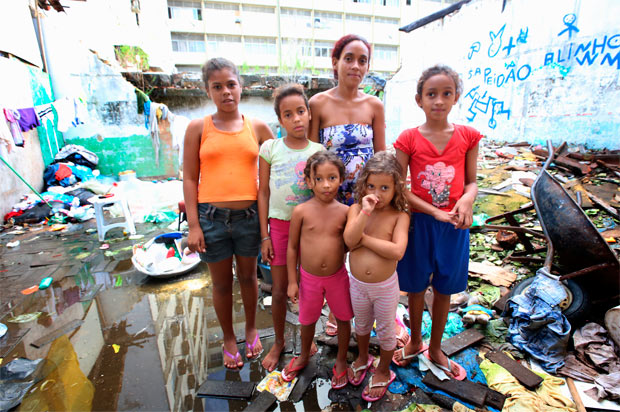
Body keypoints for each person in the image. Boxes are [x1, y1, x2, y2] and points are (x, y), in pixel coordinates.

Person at [393, 65, 483, 380]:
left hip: (455, 225)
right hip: (419, 224)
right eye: (431, 94)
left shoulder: (468, 137)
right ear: (419, 100)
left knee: (444, 287)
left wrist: (466, 200)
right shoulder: (408, 139)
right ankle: (415, 341)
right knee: (416, 287)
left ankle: (435, 348)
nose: (439, 101)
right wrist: (433, 211)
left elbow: (472, 182)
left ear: (456, 97)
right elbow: (399, 187)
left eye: (446, 94)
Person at [183, 57, 274, 369]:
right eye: (217, 87)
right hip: (211, 219)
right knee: (221, 284)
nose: (226, 92)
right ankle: (227, 338)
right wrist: (193, 226)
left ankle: (250, 329)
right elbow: (190, 177)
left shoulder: (258, 127)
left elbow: (279, 166)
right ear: (208, 91)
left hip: (249, 217)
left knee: (249, 278)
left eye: (231, 84)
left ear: (241, 86)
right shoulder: (198, 128)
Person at [309, 33, 386, 336]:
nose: (355, 66)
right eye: (349, 59)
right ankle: (335, 310)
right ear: (336, 62)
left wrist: (383, 194)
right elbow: (312, 155)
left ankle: (364, 310)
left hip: (365, 196)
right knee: (334, 251)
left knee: (363, 251)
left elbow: (380, 155)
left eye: (362, 60)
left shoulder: (374, 105)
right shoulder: (318, 103)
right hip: (331, 194)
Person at [257, 84, 324, 371]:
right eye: (288, 114)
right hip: (280, 227)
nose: (296, 118)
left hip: (310, 228)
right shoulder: (270, 148)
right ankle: (280, 341)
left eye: (300, 111)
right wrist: (265, 235)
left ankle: (307, 337)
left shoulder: (318, 151)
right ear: (280, 121)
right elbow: (263, 193)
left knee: (308, 286)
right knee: (280, 287)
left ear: (309, 114)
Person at [282, 151, 353, 389]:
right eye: (319, 179)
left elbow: (351, 243)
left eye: (332, 178)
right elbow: (292, 248)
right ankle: (304, 355)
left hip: (337, 277)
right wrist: (293, 281)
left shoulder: (345, 212)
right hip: (309, 278)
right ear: (309, 181)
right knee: (307, 319)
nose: (326, 185)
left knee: (343, 318)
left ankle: (341, 359)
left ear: (341, 179)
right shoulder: (301, 211)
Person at [343, 152, 410, 401]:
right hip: (357, 284)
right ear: (363, 185)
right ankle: (362, 356)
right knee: (360, 325)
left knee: (385, 330)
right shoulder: (357, 209)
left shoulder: (399, 216)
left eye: (385, 187)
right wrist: (365, 213)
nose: (377, 193)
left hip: (384, 287)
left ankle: (383, 369)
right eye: (371, 186)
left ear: (396, 188)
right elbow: (349, 241)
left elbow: (397, 251)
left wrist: (365, 240)